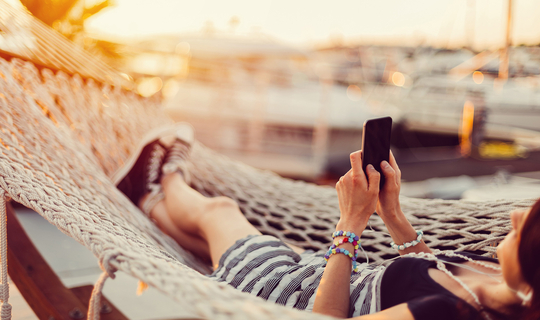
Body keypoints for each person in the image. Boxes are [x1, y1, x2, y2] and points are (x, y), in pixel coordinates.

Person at [114, 123, 539, 320]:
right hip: (319, 271)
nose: (516, 216)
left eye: (527, 228)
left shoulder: (445, 315)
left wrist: (351, 223)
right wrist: (391, 213)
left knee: (219, 211)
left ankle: (166, 165)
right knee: (201, 242)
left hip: (285, 296)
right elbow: (431, 271)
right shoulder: (492, 278)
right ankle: (146, 195)